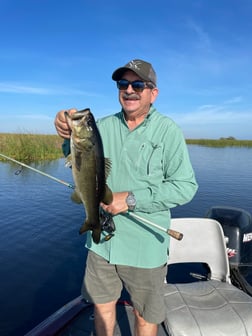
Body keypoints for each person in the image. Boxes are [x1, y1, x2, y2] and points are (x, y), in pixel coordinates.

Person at [54, 59, 198, 336]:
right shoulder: (102, 127)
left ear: (152, 92)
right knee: (102, 308)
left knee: (145, 317)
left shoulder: (169, 132)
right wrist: (63, 128)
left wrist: (130, 199)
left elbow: (185, 186)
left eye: (138, 84)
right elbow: (76, 157)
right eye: (123, 84)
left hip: (144, 248)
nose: (129, 90)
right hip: (101, 244)